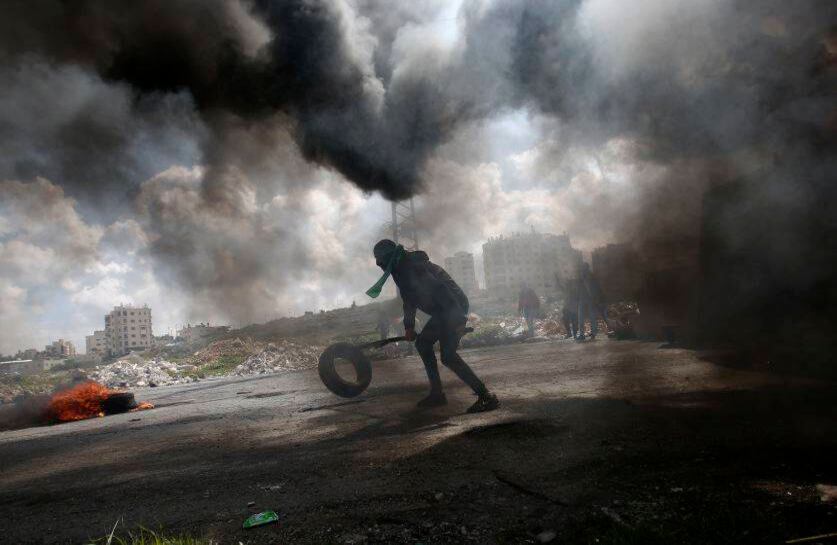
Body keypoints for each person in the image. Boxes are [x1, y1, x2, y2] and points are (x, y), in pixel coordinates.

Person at [367, 239, 499, 413]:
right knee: (422, 344)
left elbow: (442, 290)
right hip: (442, 311)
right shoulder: (401, 269)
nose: (380, 266)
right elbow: (409, 301)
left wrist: (457, 320)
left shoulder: (413, 266)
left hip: (452, 308)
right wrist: (409, 327)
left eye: (381, 261)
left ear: (388, 258)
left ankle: (486, 396)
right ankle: (437, 394)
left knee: (448, 356)